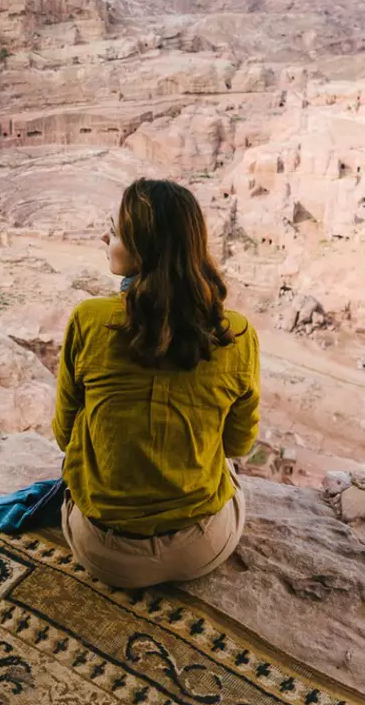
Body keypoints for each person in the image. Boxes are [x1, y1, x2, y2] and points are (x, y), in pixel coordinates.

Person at [53, 178, 260, 589]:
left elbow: (64, 434)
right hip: (201, 550)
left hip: (105, 554)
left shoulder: (90, 319)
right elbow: (238, 445)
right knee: (226, 471)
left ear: (142, 247)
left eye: (113, 232)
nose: (103, 238)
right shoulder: (235, 333)